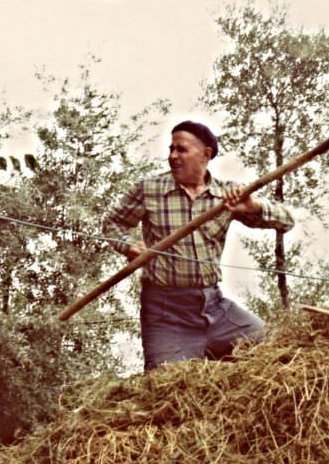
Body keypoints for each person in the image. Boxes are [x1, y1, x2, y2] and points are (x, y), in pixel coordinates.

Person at [102, 120, 295, 371]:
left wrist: (252, 207)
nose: (172, 156)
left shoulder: (228, 195)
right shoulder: (149, 189)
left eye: (181, 149)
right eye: (171, 149)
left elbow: (286, 221)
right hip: (166, 315)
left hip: (215, 308)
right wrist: (128, 246)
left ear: (206, 154)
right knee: (165, 390)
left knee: (274, 351)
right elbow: (112, 223)